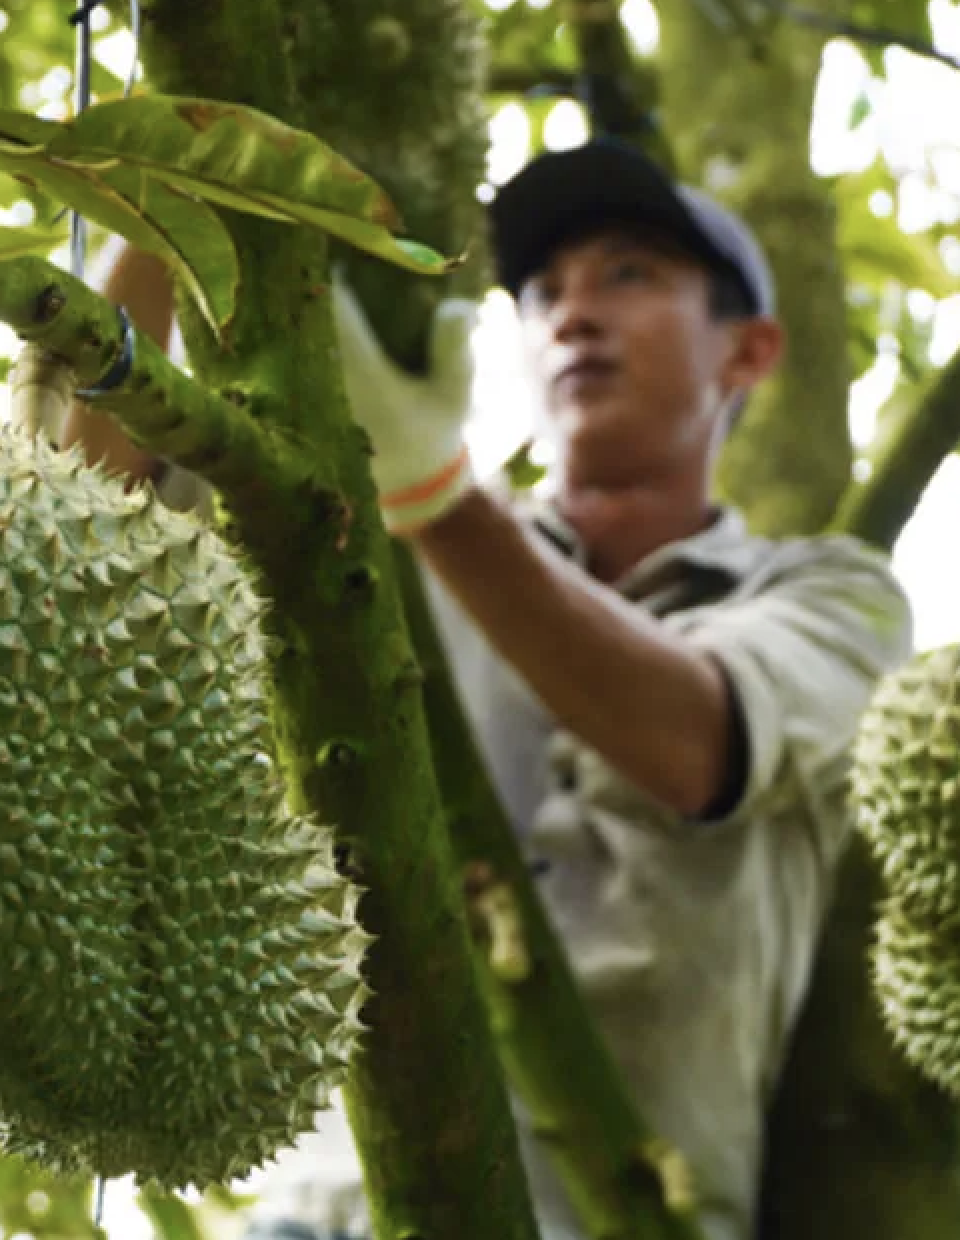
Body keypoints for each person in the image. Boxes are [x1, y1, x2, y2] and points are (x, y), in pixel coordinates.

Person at [59, 139, 916, 1240]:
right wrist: (177, 172)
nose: (572, 313)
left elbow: (700, 741)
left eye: (627, 275)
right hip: (324, 1214)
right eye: (542, 291)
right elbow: (100, 511)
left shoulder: (832, 598)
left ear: (745, 351)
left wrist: (430, 489)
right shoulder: (384, 558)